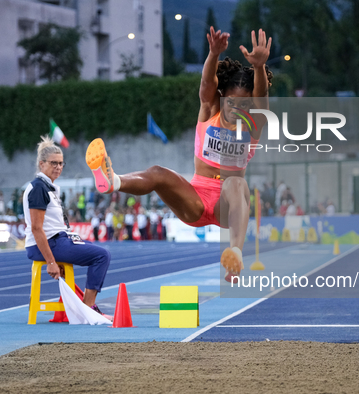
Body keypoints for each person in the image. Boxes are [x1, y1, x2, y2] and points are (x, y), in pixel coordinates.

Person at [85, 27, 273, 282]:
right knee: (158, 172)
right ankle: (113, 182)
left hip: (227, 206)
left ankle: (235, 257)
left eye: (244, 104)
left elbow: (261, 97)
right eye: (231, 102)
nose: (237, 109)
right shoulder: (209, 111)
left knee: (237, 182)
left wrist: (259, 67)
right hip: (195, 199)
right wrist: (213, 54)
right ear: (223, 98)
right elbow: (207, 83)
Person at [24, 136, 112, 319]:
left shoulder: (49, 187)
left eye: (61, 163)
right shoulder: (39, 188)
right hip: (48, 243)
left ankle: (86, 308)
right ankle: (87, 310)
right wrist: (51, 261)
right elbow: (36, 229)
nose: (58, 167)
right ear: (41, 164)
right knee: (101, 255)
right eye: (53, 163)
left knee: (98, 252)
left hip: (57, 240)